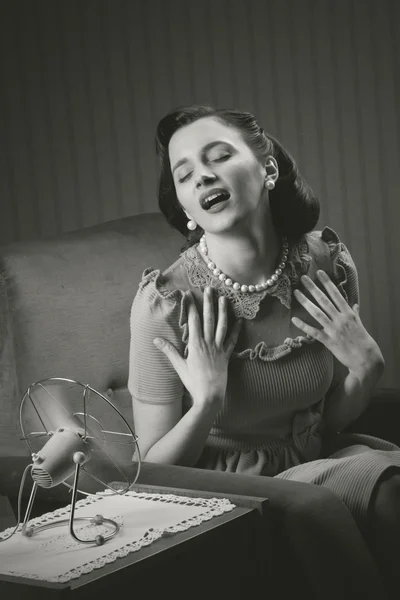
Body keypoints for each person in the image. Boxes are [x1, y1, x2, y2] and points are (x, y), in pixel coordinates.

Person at [128, 104, 400, 596]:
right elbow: (148, 472)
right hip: (224, 495)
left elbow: (330, 419)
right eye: (185, 174)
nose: (202, 175)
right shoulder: (164, 303)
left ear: (268, 169)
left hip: (320, 463)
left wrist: (368, 368)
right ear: (187, 210)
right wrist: (207, 399)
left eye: (219, 156)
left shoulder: (327, 263)